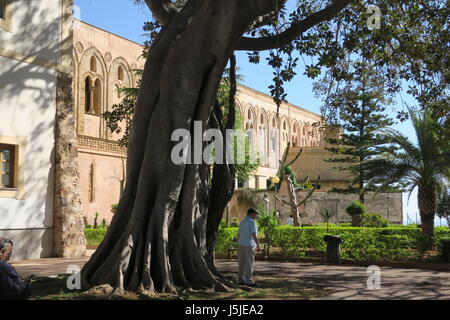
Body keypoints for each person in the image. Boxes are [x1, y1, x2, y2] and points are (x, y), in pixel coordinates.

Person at [237, 208, 260, 287]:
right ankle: (249, 281)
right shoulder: (252, 222)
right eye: (255, 214)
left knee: (241, 263)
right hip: (249, 244)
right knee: (249, 263)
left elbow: (239, 234)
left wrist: (239, 242)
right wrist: (258, 244)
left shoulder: (242, 222)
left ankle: (241, 279)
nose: (256, 215)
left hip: (241, 244)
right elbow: (254, 234)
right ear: (251, 214)